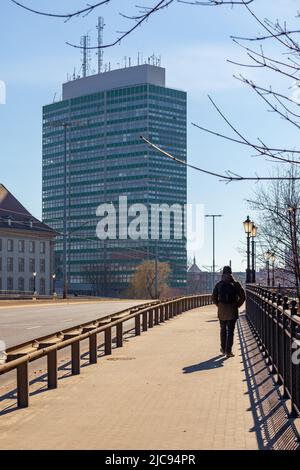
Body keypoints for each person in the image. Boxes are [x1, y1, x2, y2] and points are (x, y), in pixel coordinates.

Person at [212, 266, 245, 358]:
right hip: (232, 309)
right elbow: (243, 296)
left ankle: (223, 348)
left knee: (223, 329)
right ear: (231, 273)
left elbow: (213, 297)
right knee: (230, 331)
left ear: (223, 274)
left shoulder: (219, 284)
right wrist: (237, 305)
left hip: (222, 310)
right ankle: (228, 351)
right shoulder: (236, 284)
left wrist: (219, 305)